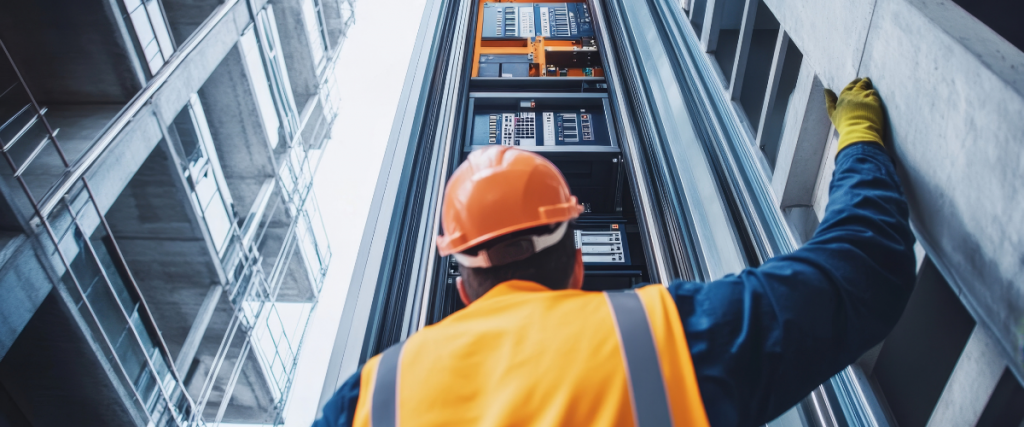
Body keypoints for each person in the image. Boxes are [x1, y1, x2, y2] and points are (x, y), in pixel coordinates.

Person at [314, 77, 916, 427]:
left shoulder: (370, 399)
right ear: (576, 265)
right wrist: (859, 142)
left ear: (463, 287)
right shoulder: (654, 337)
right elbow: (861, 273)